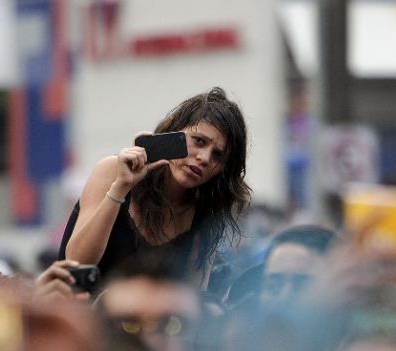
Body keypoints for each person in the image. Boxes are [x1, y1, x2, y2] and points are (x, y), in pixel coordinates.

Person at [58, 87, 251, 290]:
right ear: (172, 131)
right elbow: (77, 263)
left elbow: (194, 299)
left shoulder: (205, 213)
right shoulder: (113, 171)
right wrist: (120, 188)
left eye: (218, 155)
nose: (204, 158)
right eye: (199, 141)